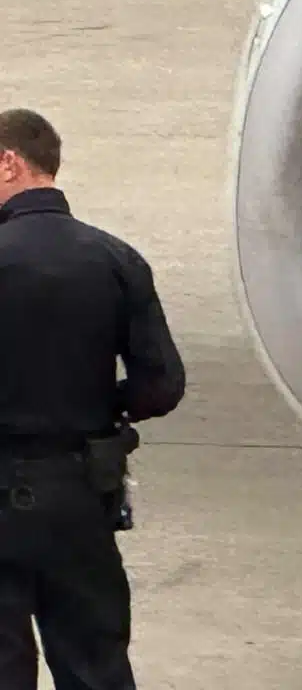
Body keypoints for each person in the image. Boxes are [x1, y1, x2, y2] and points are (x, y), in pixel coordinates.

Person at [0, 108, 186, 689]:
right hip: (80, 493)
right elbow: (163, 385)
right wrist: (102, 401)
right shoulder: (116, 258)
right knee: (95, 665)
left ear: (9, 163)